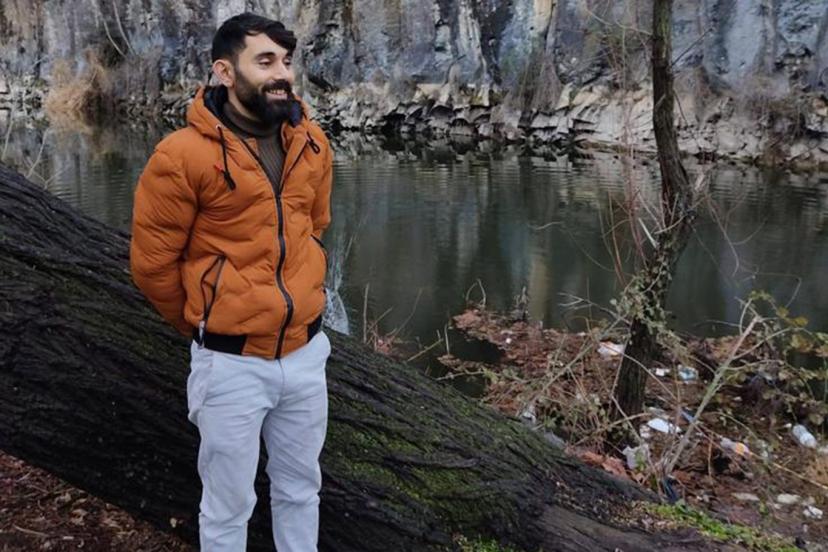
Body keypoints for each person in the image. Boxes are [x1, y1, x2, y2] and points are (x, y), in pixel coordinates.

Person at [129, 12, 333, 551]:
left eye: (286, 61)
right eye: (264, 61)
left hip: (306, 354)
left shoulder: (311, 142)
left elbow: (314, 226)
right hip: (231, 365)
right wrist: (208, 323)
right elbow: (153, 266)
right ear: (224, 71)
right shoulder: (181, 157)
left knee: (301, 490)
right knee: (227, 507)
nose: (282, 73)